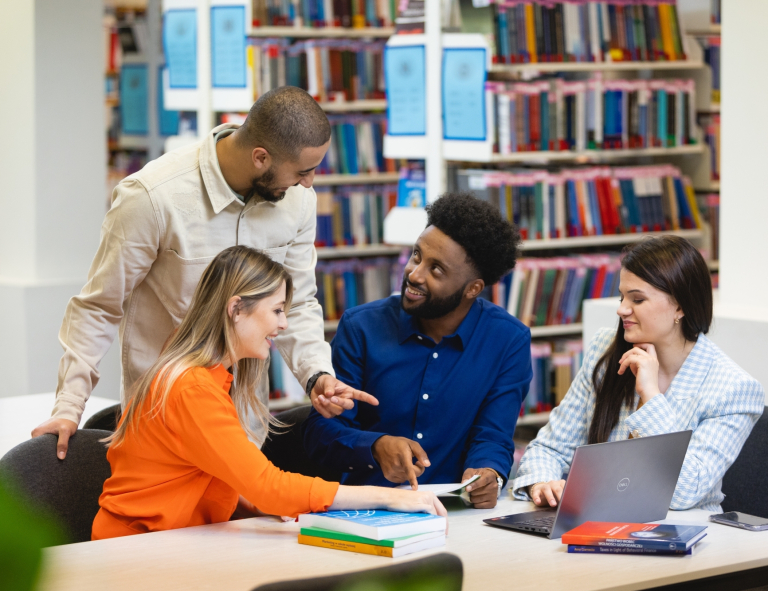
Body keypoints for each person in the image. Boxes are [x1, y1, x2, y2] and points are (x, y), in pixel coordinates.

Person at [33, 87, 374, 459]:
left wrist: (316, 375)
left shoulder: (298, 203)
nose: (308, 183)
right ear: (261, 157)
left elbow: (298, 303)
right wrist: (68, 408)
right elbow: (99, 307)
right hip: (162, 426)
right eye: (302, 171)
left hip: (244, 429)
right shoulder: (152, 197)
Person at [92, 246, 445, 540]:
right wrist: (388, 499)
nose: (283, 323)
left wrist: (258, 505)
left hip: (173, 542)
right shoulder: (192, 388)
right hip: (137, 552)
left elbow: (210, 473)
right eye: (276, 310)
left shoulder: (205, 374)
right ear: (235, 309)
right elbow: (266, 484)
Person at [302, 192, 532, 509]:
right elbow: (321, 433)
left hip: (453, 516)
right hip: (366, 512)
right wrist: (375, 446)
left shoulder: (508, 340)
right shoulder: (361, 327)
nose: (415, 273)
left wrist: (488, 472)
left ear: (472, 289)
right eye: (417, 255)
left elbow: (492, 435)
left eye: (436, 270)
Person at [512, 236, 765, 512]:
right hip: (598, 525)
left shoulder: (735, 389)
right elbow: (548, 448)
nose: (622, 309)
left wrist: (652, 397)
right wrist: (543, 483)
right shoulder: (605, 350)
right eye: (622, 296)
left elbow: (684, 492)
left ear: (680, 306)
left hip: (682, 539)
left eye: (638, 299)